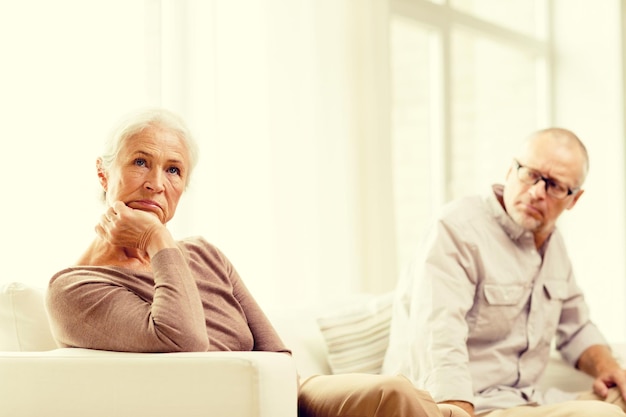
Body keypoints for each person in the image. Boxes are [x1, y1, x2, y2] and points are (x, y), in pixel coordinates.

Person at [45, 107, 457, 417]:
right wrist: (157, 239)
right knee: (397, 396)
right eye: (140, 162)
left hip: (281, 396)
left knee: (412, 395)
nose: (156, 182)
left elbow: (277, 352)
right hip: (226, 407)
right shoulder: (73, 289)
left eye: (173, 169)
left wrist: (162, 244)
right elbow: (184, 342)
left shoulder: (203, 254)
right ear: (102, 173)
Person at [382, 127, 626, 416]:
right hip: (461, 405)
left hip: (524, 401)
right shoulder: (455, 229)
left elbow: (576, 328)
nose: (537, 193)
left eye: (555, 186)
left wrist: (611, 370)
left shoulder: (553, 243)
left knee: (618, 401)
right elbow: (438, 336)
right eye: (530, 174)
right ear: (510, 169)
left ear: (573, 199)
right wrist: (457, 410)